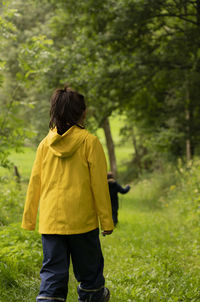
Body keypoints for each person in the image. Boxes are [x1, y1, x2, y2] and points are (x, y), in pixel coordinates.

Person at [21, 84, 114, 302]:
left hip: (51, 222)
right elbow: (100, 186)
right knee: (90, 271)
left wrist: (29, 220)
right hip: (83, 222)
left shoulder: (44, 145)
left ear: (54, 112)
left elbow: (35, 183)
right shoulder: (89, 142)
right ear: (83, 113)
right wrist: (107, 222)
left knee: (53, 273)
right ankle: (93, 296)